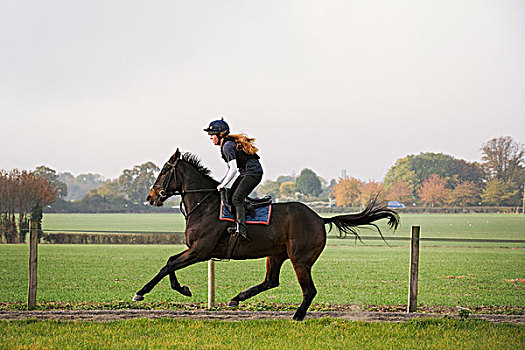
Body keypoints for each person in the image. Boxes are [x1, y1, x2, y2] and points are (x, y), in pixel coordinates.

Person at [204, 118, 263, 238]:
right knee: (229, 194)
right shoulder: (227, 144)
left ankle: (241, 230)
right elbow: (231, 171)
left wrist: (222, 185)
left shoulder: (227, 146)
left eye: (212, 135)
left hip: (253, 173)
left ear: (220, 135)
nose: (210, 137)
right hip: (246, 173)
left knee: (236, 199)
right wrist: (220, 183)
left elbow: (233, 170)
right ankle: (248, 208)